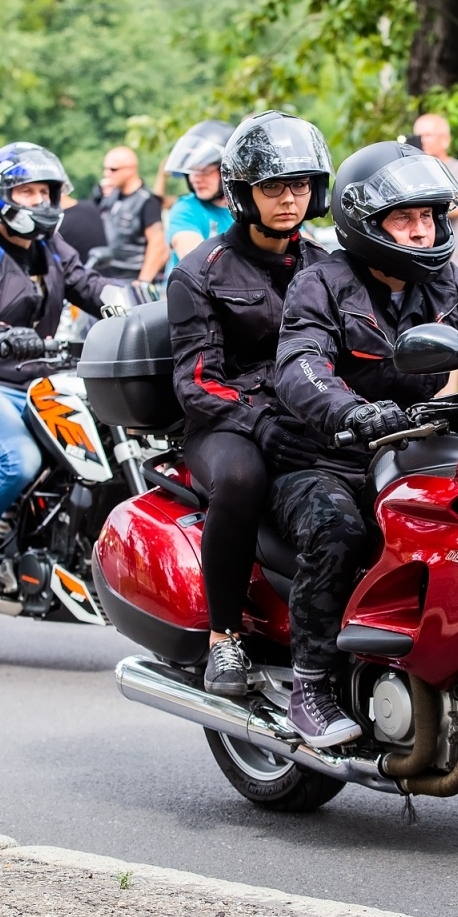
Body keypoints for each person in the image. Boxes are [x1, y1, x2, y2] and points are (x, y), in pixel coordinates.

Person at [272, 140, 458, 746]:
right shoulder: (321, 283)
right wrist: (352, 412)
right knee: (338, 528)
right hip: (321, 455)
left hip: (411, 452)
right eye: (404, 219)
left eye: (428, 217)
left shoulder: (446, 284)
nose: (421, 232)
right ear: (365, 222)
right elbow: (299, 365)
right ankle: (310, 686)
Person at [167, 112, 332, 696]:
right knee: (241, 479)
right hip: (224, 421)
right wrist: (259, 422)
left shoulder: (326, 265)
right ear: (244, 191)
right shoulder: (200, 272)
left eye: (300, 185)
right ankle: (223, 637)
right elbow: (196, 380)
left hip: (306, 411)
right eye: (273, 187)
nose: (290, 199)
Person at [0, 143, 110, 600]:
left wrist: (146, 299)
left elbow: (90, 286)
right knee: (20, 461)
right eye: (26, 192)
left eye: (44, 193)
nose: (38, 201)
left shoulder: (50, 248)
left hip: (43, 383)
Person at [163, 120, 235, 273]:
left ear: (228, 170)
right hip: (195, 294)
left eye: (204, 170)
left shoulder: (249, 208)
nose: (195, 178)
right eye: (191, 171)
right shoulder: (186, 207)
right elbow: (200, 265)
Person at [413, 113, 458, 275]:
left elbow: (456, 209)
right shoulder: (412, 171)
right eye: (418, 136)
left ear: (445, 139)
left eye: (428, 135)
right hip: (421, 255)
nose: (423, 140)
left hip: (453, 258)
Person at [95, 146, 165, 282]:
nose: (107, 173)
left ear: (130, 169)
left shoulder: (147, 201)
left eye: (113, 169)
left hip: (132, 277)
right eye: (105, 168)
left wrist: (143, 281)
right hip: (108, 275)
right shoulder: (111, 196)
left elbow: (157, 244)